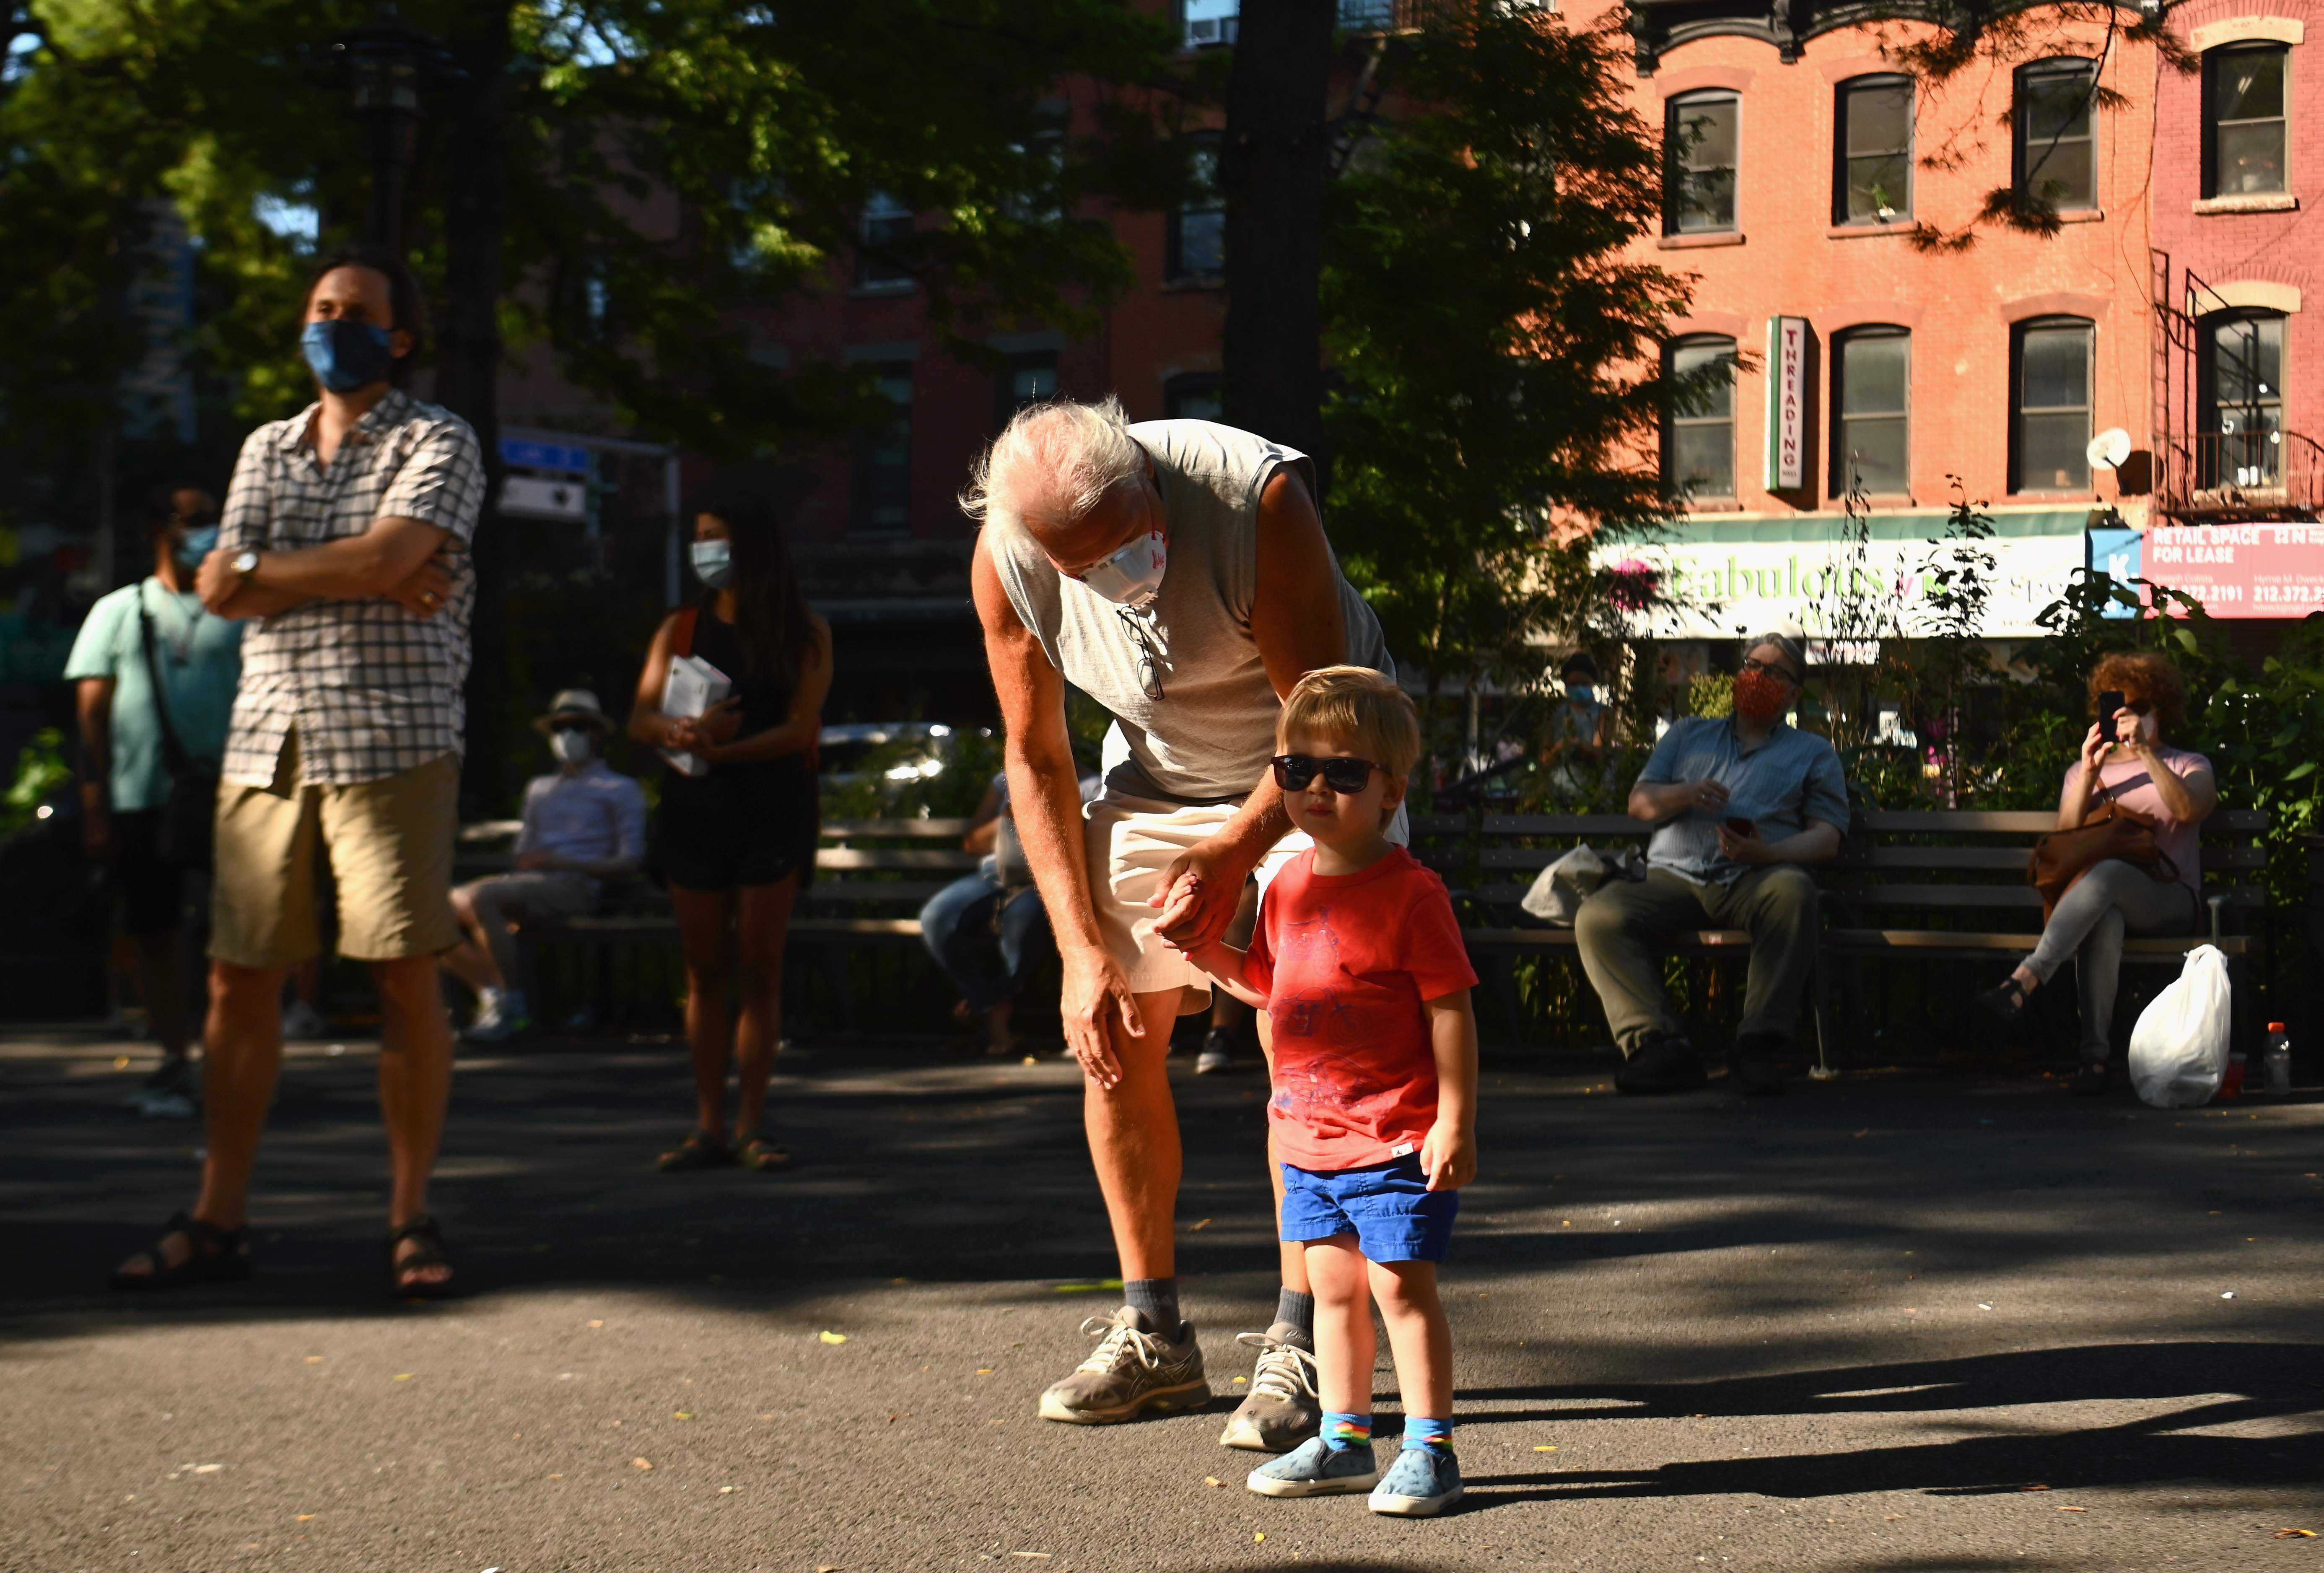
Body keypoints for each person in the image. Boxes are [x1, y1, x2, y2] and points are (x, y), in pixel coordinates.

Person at [964, 395, 1398, 1451]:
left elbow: (1319, 724)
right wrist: (1078, 955)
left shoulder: (1259, 499)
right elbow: (1037, 758)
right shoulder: (1008, 564)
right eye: (1080, 566)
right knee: (1112, 1038)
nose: (1115, 577)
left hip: (1313, 761)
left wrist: (1236, 852)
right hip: (1156, 776)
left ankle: (1304, 1340)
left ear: (1150, 487)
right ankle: (1154, 1331)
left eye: (1122, 547)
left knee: (1308, 1036)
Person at [110, 246, 486, 1298]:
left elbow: (367, 562)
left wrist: (282, 571)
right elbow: (219, 589)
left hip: (395, 737)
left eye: (356, 311)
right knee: (239, 977)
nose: (334, 323)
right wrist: (358, 570)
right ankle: (216, 1218)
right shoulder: (266, 446)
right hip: (267, 738)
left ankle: (412, 1217)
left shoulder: (438, 437)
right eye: (321, 308)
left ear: (398, 337)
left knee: (404, 975)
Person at [1183, 667, 1478, 1517]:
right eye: (1295, 770)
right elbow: (1273, 991)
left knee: (1399, 1287)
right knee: (1333, 1291)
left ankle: (1432, 1446)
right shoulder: (1285, 886)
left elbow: (1451, 1010)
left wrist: (1455, 1118)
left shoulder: (1411, 893)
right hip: (1307, 1139)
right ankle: (1346, 1438)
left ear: (1390, 789)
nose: (1317, 787)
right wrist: (1208, 953)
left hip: (1392, 1135)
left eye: (1343, 772)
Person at [626, 497, 830, 1174]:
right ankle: (708, 1125)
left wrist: (725, 748)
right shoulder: (680, 628)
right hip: (695, 812)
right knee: (704, 970)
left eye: (716, 538)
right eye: (699, 539)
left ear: (753, 546)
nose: (705, 551)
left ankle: (751, 1124)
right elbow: (642, 718)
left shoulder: (803, 633)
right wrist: (681, 734)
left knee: (760, 968)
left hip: (771, 808)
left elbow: (799, 729)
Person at [1574, 631, 1847, 1098]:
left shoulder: (1813, 752)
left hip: (1753, 878)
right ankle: (1659, 1045)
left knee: (1794, 892)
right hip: (1671, 878)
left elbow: (1828, 836)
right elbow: (1639, 803)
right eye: (1751, 665)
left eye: (1773, 672)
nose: (1757, 676)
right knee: (1599, 916)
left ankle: (1756, 1046)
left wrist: (1769, 854)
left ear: (1794, 693)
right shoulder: (1687, 734)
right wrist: (1686, 792)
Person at [66, 485, 244, 1116]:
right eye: (191, 522)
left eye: (211, 522)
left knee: (237, 933)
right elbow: (91, 712)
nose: (204, 534)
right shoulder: (120, 611)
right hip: (142, 798)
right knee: (153, 929)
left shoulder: (240, 612)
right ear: (157, 532)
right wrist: (96, 801)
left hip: (234, 799)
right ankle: (176, 1054)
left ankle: (232, 1055)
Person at [1974, 653, 2216, 1095]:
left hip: (2171, 901)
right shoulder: (2083, 771)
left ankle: (2026, 978)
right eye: (2117, 707)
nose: (2129, 717)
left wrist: (2145, 751)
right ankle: (2094, 1060)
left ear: (2162, 710)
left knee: (2106, 874)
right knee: (2105, 913)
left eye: (2140, 707)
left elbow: (2188, 808)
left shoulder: (2188, 764)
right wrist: (2087, 772)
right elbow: (2063, 844)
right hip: (2107, 900)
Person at [444, 689, 648, 1042]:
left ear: (597, 733)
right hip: (530, 884)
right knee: (435, 908)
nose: (567, 736)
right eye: (559, 728)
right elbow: (524, 851)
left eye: (578, 727)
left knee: (484, 899)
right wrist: (527, 862)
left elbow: (630, 862)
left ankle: (513, 1007)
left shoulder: (621, 790)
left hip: (578, 887)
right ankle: (495, 995)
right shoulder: (539, 789)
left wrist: (561, 862)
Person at [918, 766, 1099, 1057]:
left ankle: (988, 1011)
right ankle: (990, 1004)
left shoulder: (1092, 785)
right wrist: (1011, 815)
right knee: (937, 916)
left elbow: (1091, 852)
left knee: (1024, 925)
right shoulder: (1006, 779)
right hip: (994, 874)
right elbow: (972, 844)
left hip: (1046, 881)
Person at [1540, 651, 1610, 802]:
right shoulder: (1555, 714)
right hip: (1559, 792)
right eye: (1573, 684)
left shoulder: (1603, 714)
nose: (1579, 688)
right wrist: (1558, 750)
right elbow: (1545, 761)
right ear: (1566, 684)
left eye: (1584, 684)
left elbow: (1600, 754)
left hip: (1592, 793)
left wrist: (1578, 746)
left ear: (1593, 683)